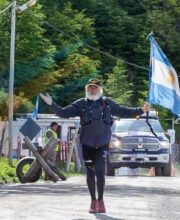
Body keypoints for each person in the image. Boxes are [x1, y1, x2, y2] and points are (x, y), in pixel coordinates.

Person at [40, 78, 150, 214]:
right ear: (86, 90)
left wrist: (141, 110)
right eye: (89, 88)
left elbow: (124, 111)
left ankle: (101, 200)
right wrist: (51, 103)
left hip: (102, 145)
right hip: (87, 145)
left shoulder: (108, 104)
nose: (92, 90)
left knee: (100, 173)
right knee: (91, 174)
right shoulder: (81, 104)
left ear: (100, 89)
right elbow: (64, 113)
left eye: (95, 88)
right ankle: (93, 201)